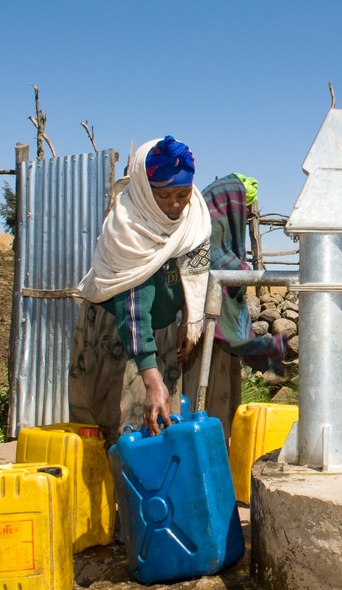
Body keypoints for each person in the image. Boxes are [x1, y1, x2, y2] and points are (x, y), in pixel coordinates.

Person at [69, 136, 211, 448]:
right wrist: (152, 376)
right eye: (164, 196)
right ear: (146, 191)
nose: (175, 204)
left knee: (163, 428)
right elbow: (134, 309)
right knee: (121, 432)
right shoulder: (129, 228)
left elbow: (195, 273)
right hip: (119, 331)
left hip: (160, 329)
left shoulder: (195, 217)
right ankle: (114, 496)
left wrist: (189, 319)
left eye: (183, 193)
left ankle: (151, 494)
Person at [181, 172, 287, 440]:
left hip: (209, 340)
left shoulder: (203, 229)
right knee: (203, 406)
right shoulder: (202, 236)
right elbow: (215, 271)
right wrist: (240, 271)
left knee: (216, 403)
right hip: (201, 338)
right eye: (244, 211)